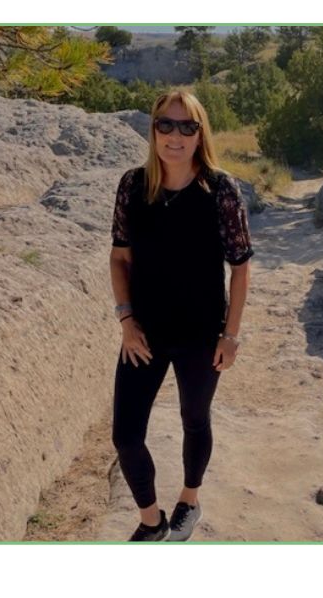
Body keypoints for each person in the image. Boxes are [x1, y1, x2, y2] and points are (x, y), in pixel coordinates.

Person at [109, 90, 253, 542]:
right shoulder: (133, 186)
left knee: (195, 418)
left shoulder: (220, 189)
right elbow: (119, 259)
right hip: (144, 334)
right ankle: (151, 522)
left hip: (200, 334)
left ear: (199, 134)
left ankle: (189, 499)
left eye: (187, 126)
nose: (175, 135)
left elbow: (241, 265)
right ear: (153, 130)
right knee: (126, 437)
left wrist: (230, 336)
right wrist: (126, 321)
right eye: (165, 125)